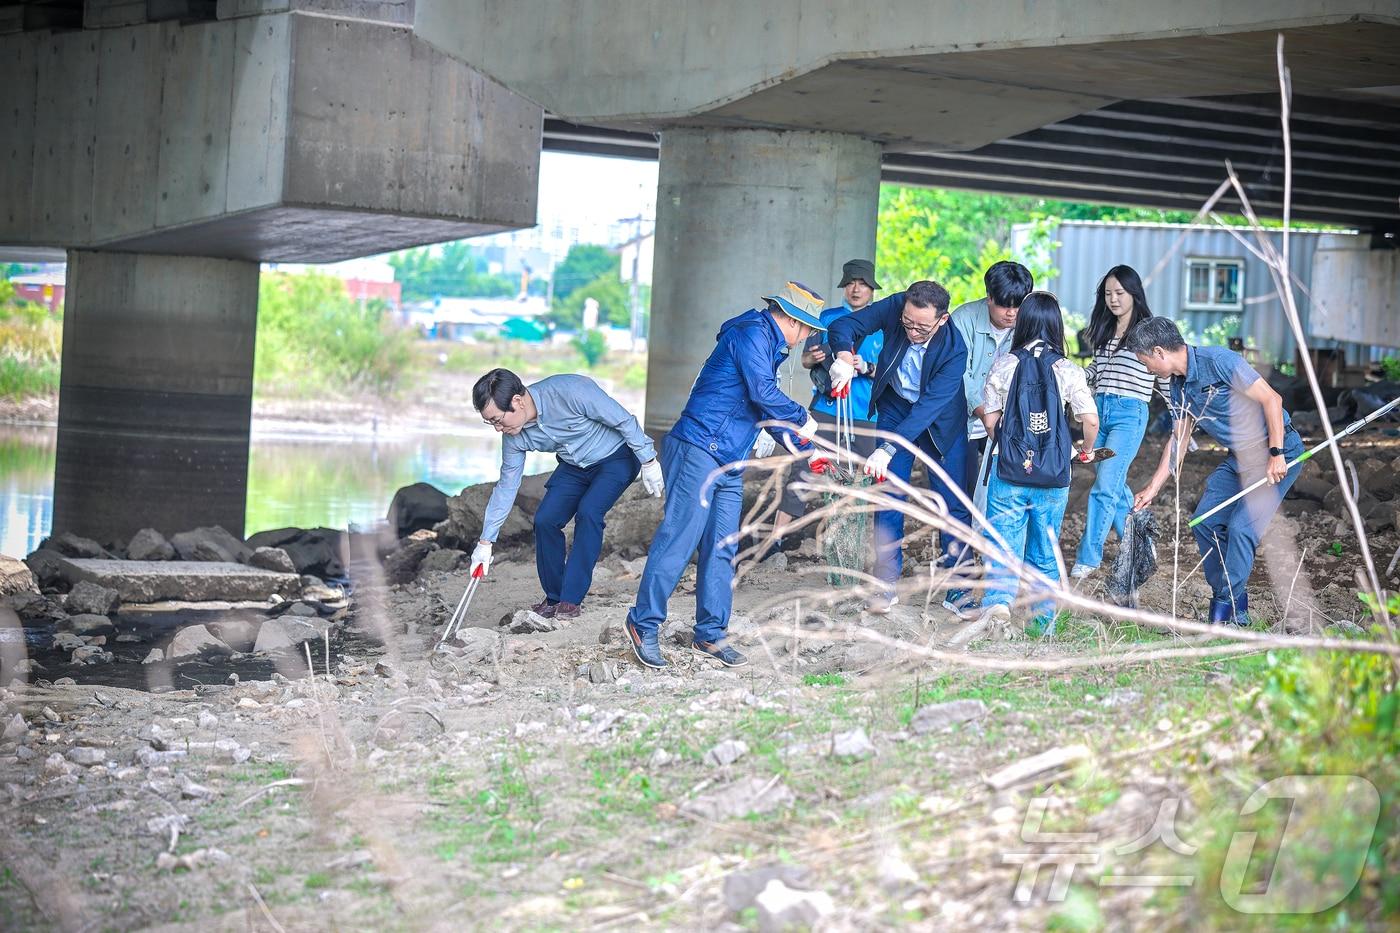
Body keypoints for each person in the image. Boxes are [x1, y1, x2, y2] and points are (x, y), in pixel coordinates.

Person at [624, 282, 826, 670]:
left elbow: (762, 409)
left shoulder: (769, 347)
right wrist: (805, 420)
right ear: (792, 320)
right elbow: (765, 394)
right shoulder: (751, 333)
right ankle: (643, 624)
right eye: (807, 329)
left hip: (730, 457)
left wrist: (807, 450)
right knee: (679, 539)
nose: (807, 338)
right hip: (700, 447)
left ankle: (712, 635)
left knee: (722, 546)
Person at [1124, 318, 1303, 625]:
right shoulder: (1177, 386)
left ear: (1159, 352)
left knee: (1241, 528)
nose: (1147, 369)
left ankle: (1226, 608)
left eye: (1145, 361)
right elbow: (1178, 439)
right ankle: (1235, 603)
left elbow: (1272, 399)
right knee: (1204, 521)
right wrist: (1153, 487)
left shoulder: (1220, 361)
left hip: (1277, 452)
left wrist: (1277, 453)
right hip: (1240, 460)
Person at [470, 369, 663, 619]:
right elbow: (507, 486)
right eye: (491, 422)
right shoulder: (514, 436)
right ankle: (554, 598)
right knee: (545, 520)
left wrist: (648, 460)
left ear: (517, 401)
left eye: (497, 419)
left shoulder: (569, 390)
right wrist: (486, 542)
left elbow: (623, 420)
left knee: (589, 512)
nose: (498, 429)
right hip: (574, 466)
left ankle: (570, 600)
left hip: (615, 458)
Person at [827, 279, 971, 615]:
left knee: (952, 504)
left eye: (922, 326)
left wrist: (888, 448)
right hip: (895, 408)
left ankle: (960, 588)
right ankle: (884, 583)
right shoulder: (896, 307)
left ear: (943, 319)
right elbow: (844, 324)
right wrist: (845, 357)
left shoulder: (955, 350)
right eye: (907, 323)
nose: (912, 331)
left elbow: (927, 408)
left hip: (939, 422)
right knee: (889, 496)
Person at [974, 292, 1099, 636]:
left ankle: (997, 613)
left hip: (1008, 469)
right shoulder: (1067, 369)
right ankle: (1042, 624)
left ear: (1024, 321)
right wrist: (1084, 450)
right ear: (1056, 324)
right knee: (1045, 550)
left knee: (1004, 546)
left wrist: (1009, 442)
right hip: (1053, 474)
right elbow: (1090, 419)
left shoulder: (1004, 363)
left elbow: (990, 420)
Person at [770, 259, 885, 541]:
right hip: (825, 407)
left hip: (864, 412)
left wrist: (866, 367)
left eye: (863, 284)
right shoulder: (826, 318)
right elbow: (806, 360)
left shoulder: (884, 326)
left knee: (863, 478)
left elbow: (893, 373)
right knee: (802, 468)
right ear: (844, 287)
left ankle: (851, 542)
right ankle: (775, 540)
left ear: (872, 289)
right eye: (851, 283)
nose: (856, 289)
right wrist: (814, 358)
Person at [948, 260, 1033, 616]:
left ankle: (1009, 585)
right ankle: (959, 587)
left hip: (1009, 432)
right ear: (988, 298)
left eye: (1019, 304)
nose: (1012, 313)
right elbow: (960, 374)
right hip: (964, 426)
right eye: (1004, 305)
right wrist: (984, 412)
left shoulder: (1028, 323)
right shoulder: (962, 320)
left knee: (1008, 504)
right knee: (961, 503)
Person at [1071, 265, 1157, 579]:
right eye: (1108, 294)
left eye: (1119, 293)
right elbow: (1098, 369)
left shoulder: (1148, 331)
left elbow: (1163, 373)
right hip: (1101, 414)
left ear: (1134, 293)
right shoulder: (1106, 329)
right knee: (1115, 484)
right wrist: (1074, 377)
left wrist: (1181, 418)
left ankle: (1088, 558)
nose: (1113, 299)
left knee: (1104, 488)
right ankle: (1140, 544)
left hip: (1128, 416)